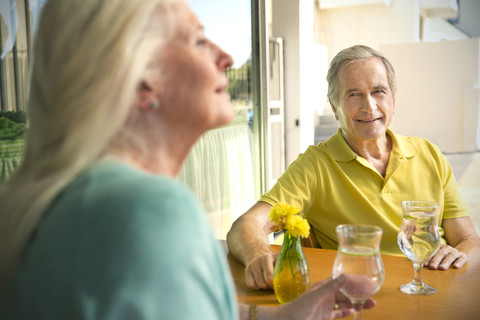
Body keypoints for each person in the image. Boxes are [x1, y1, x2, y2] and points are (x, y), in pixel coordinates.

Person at [0, 1, 375, 319]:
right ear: (144, 79)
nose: (226, 58)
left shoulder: (58, 198)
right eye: (199, 41)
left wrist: (277, 315)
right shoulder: (147, 210)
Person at [227, 44, 480, 290]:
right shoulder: (315, 166)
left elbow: (469, 240)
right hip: (362, 295)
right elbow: (246, 225)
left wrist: (457, 255)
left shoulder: (430, 154)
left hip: (435, 289)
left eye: (379, 91)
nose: (369, 106)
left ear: (393, 100)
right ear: (335, 107)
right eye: (354, 94)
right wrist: (257, 252)